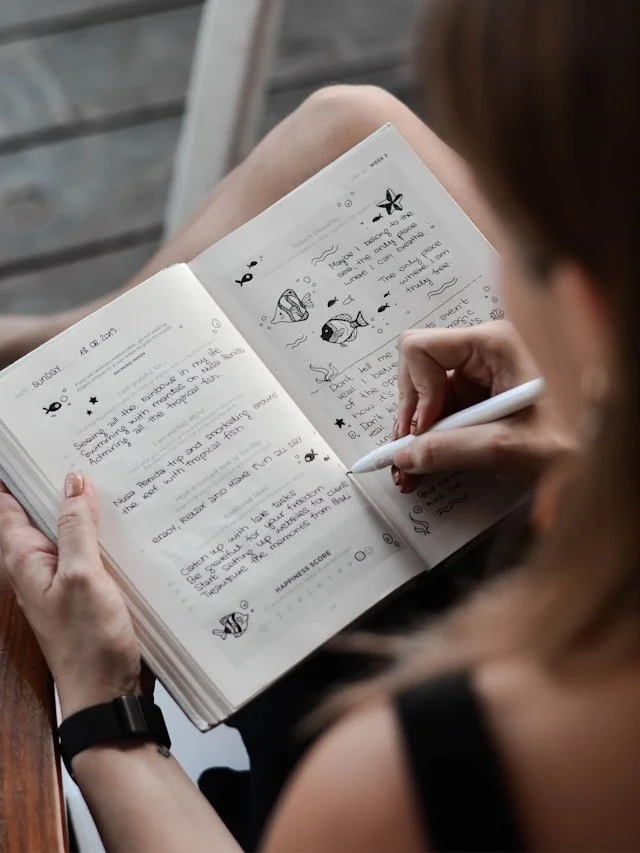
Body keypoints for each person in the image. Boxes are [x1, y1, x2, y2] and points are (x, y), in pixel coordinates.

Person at [1, 0, 639, 849]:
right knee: (353, 129)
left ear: (590, 302)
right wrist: (595, 442)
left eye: (517, 234)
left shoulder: (402, 783)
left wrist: (106, 716)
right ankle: (58, 348)